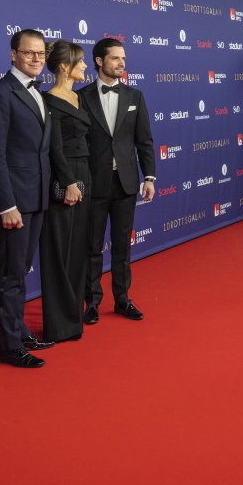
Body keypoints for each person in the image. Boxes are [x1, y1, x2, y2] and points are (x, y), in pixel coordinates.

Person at [0, 29, 55, 368]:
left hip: (37, 197)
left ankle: (19, 330)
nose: (37, 59)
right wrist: (6, 204)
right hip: (15, 201)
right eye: (29, 53)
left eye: (40, 54)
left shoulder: (38, 92)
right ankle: (9, 346)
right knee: (11, 273)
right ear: (13, 54)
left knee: (22, 269)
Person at [81, 38, 157, 324]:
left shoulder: (135, 96)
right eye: (115, 58)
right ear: (99, 61)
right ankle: (92, 303)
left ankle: (122, 299)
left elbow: (145, 140)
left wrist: (149, 176)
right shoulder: (81, 96)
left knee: (122, 245)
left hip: (126, 183)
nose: (122, 63)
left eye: (123, 58)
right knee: (92, 246)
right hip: (94, 183)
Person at [39, 41, 92, 345]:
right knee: (59, 249)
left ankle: (73, 318)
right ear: (63, 67)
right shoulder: (49, 101)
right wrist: (69, 182)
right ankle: (58, 325)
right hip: (65, 179)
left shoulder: (77, 96)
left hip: (85, 174)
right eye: (80, 62)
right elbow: (54, 148)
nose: (85, 67)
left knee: (78, 248)